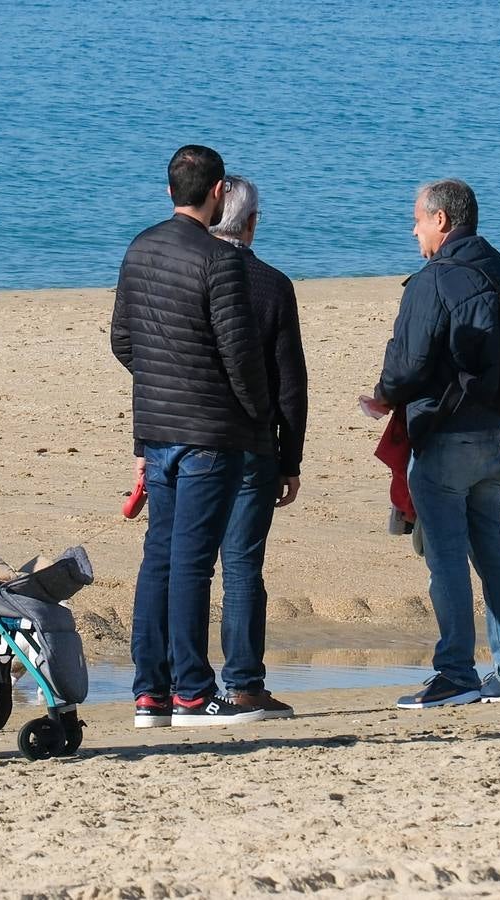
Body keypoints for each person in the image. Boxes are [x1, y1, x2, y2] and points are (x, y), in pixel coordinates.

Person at [110, 145, 272, 728]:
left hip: (159, 427)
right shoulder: (219, 260)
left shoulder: (139, 248)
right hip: (207, 430)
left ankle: (150, 693)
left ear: (170, 190)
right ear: (218, 192)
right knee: (189, 563)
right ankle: (191, 693)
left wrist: (164, 376)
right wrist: (259, 419)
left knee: (162, 557)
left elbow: (123, 342)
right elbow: (240, 356)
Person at [372, 179, 500, 709]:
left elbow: (408, 361)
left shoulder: (435, 278)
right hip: (491, 432)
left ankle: (455, 672)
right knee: (492, 550)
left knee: (444, 557)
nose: (413, 229)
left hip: (447, 435)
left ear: (441, 220)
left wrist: (382, 395)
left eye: (417, 220)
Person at [208, 175, 308, 719]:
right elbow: (290, 382)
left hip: (187, 434)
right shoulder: (271, 284)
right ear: (249, 223)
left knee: (187, 561)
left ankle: (180, 684)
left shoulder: (185, 268)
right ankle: (242, 683)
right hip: (247, 442)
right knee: (242, 564)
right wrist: (290, 457)